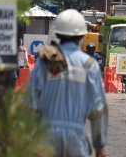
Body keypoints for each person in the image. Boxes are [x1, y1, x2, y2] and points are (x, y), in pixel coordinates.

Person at [27, 8, 109, 157]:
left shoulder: (45, 62)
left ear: (57, 34)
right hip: (76, 140)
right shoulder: (89, 65)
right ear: (82, 35)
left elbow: (30, 103)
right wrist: (99, 146)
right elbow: (98, 109)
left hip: (46, 140)